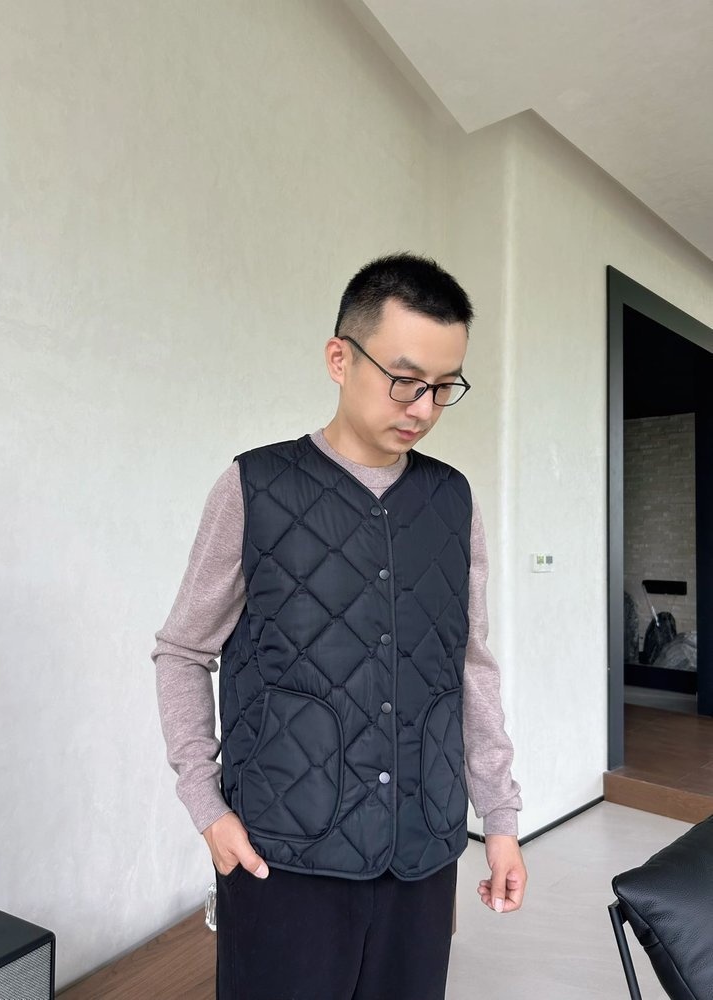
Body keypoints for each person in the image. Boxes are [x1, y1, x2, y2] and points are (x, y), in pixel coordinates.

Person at [153, 253, 526, 1000]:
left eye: (444, 387)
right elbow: (182, 651)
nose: (422, 407)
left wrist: (501, 817)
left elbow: (471, 664)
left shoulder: (453, 501)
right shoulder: (254, 485)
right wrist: (206, 805)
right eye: (404, 379)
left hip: (420, 850)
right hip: (281, 855)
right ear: (339, 358)